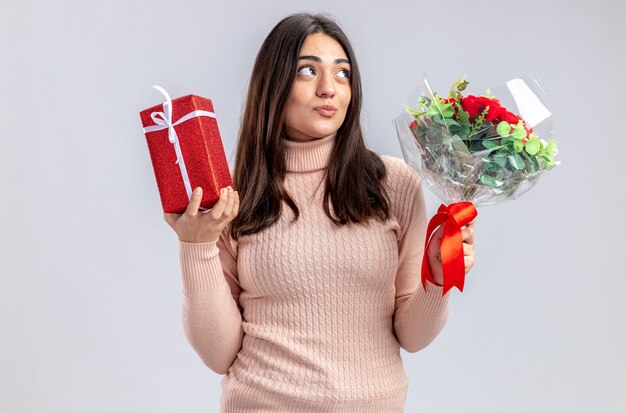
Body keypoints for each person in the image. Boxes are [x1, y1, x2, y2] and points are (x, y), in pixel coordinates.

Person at [164, 12, 475, 413]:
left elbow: (412, 336)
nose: (329, 89)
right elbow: (218, 354)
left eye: (342, 74)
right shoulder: (233, 196)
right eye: (308, 71)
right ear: (274, 83)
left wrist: (438, 276)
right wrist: (197, 245)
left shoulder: (394, 185)